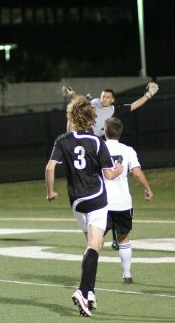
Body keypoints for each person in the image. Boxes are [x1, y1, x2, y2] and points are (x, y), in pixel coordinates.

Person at [45, 96, 123, 317]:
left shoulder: (63, 140)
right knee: (94, 245)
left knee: (93, 245)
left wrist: (50, 191)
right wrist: (118, 169)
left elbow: (50, 168)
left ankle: (90, 293)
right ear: (92, 119)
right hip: (97, 198)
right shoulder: (97, 142)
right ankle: (83, 290)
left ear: (71, 118)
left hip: (77, 202)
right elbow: (108, 174)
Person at [61, 80, 159, 250]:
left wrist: (148, 95)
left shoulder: (116, 109)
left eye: (107, 97)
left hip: (105, 148)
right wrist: (71, 93)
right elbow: (81, 100)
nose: (104, 99)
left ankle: (110, 235)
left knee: (110, 184)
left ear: (112, 100)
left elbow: (134, 105)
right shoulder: (94, 104)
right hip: (93, 148)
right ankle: (100, 232)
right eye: (103, 96)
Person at [103, 117, 153, 283]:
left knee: (96, 240)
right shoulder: (128, 150)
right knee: (123, 238)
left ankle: (89, 276)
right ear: (120, 133)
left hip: (102, 203)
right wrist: (147, 188)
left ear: (105, 131)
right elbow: (137, 173)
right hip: (123, 202)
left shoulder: (98, 148)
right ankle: (127, 274)